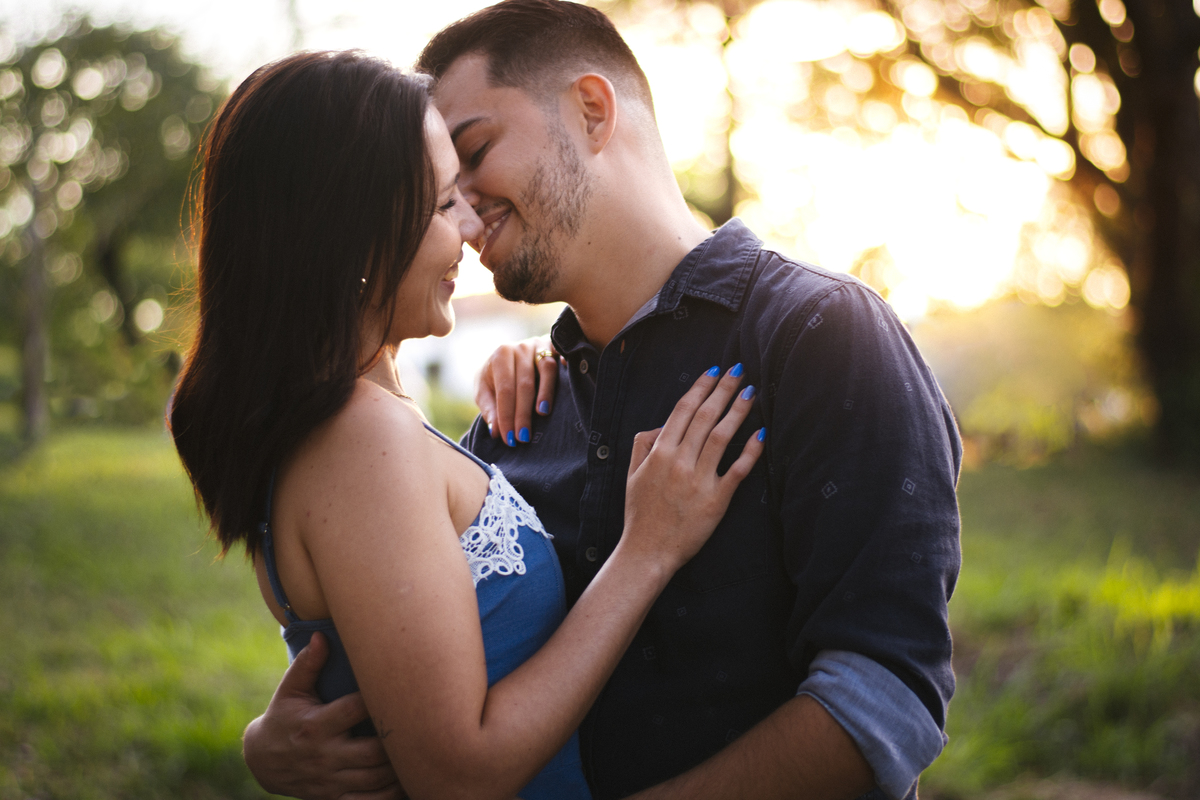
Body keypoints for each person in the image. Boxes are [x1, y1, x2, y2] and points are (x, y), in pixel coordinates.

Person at [243, 2, 963, 799]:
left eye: (473, 153)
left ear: (591, 109)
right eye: (436, 185)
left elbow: (883, 702)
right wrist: (278, 742)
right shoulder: (516, 412)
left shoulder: (821, 336)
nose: (460, 209)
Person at [168, 48, 767, 800]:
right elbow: (459, 773)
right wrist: (646, 550)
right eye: (444, 202)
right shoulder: (360, 440)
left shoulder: (351, 425)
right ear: (353, 233)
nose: (470, 230)